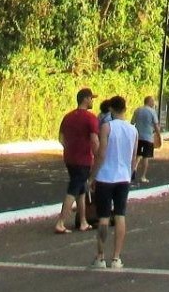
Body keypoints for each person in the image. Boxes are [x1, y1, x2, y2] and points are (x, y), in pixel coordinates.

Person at [90, 95, 137, 269]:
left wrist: (92, 176)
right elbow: (133, 158)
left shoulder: (106, 127)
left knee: (103, 218)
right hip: (123, 177)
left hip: (105, 177)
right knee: (120, 215)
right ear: (125, 108)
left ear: (111, 109)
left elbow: (101, 154)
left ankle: (100, 257)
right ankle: (116, 257)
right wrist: (130, 174)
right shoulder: (133, 130)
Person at [55, 87, 98, 234]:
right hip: (83, 159)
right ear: (85, 99)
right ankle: (61, 222)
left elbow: (61, 138)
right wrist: (97, 156)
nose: (92, 101)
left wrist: (70, 148)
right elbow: (94, 140)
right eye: (91, 98)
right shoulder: (90, 118)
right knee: (73, 189)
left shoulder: (68, 117)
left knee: (81, 189)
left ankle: (83, 221)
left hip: (69, 158)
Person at [131, 95, 160, 184]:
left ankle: (132, 171)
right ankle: (143, 176)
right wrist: (158, 135)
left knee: (137, 154)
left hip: (138, 136)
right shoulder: (152, 112)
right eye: (153, 101)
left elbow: (132, 122)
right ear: (149, 101)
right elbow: (156, 125)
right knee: (146, 157)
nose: (153, 103)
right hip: (148, 137)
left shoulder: (137, 110)